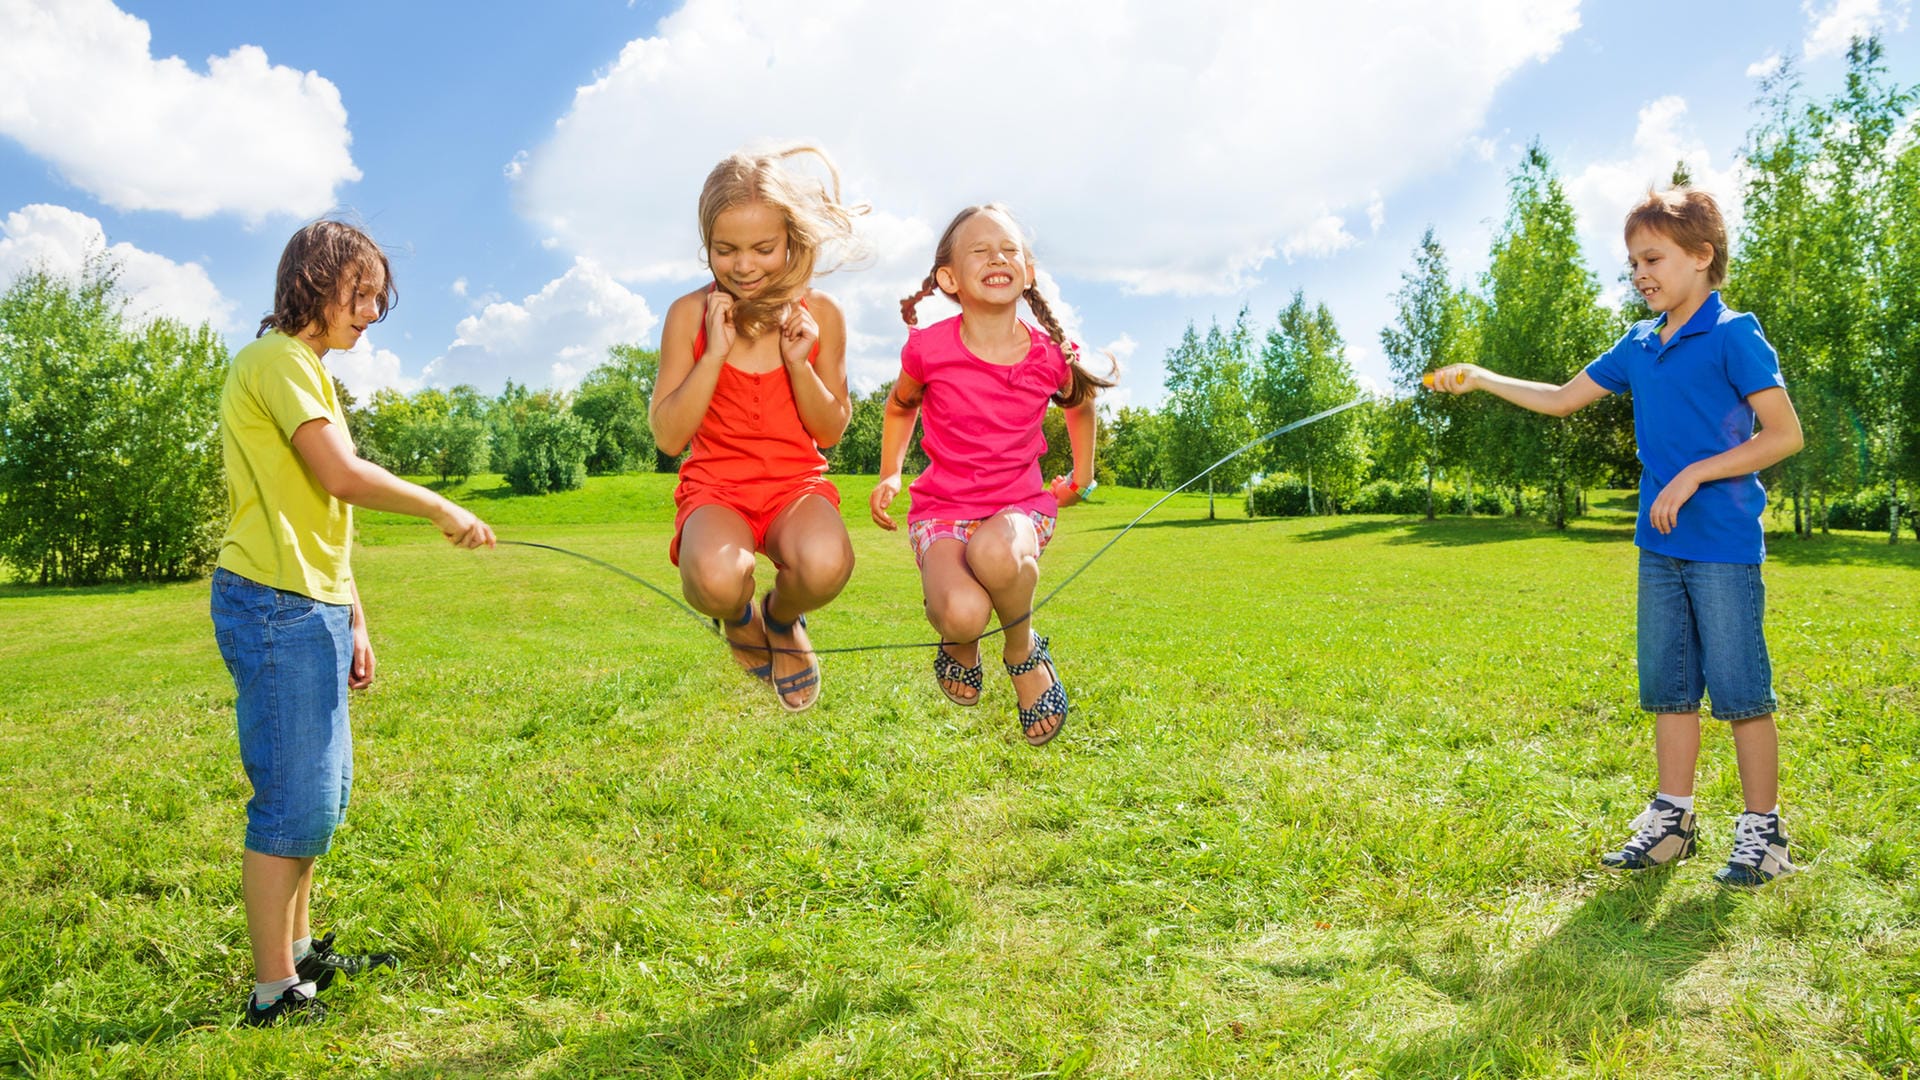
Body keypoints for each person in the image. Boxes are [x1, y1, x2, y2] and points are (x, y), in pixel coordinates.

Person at [1429, 187, 1804, 886]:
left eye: (1653, 258)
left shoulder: (1733, 333)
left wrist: (1693, 475)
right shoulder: (1639, 343)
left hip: (1721, 544)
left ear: (1701, 255)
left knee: (1740, 692)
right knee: (1669, 687)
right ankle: (1673, 821)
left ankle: (1765, 835)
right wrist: (1480, 377)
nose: (1640, 274)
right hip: (1658, 547)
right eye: (1633, 263)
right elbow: (1562, 399)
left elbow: (1784, 436)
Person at [214, 220, 496, 1026]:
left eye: (379, 296)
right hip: (273, 603)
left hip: (312, 603)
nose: (372, 311)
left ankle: (299, 955)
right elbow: (340, 474)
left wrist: (356, 619)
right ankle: (274, 994)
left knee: (320, 798)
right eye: (360, 292)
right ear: (313, 281)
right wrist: (440, 505)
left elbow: (323, 514)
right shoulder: (277, 361)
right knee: (290, 802)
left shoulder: (304, 370)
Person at [870, 204, 1114, 747]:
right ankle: (960, 642)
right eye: (979, 250)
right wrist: (890, 472)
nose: (997, 257)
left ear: (1027, 271)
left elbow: (1081, 404)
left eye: (1009, 249)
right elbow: (899, 406)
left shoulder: (1050, 355)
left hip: (1020, 510)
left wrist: (1081, 477)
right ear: (949, 279)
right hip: (942, 510)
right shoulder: (928, 350)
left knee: (997, 552)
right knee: (961, 614)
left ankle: (1022, 649)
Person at [649, 145, 864, 712]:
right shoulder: (688, 315)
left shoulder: (822, 314)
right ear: (708, 246)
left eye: (763, 249)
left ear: (792, 241)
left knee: (825, 567)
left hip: (796, 486)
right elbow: (669, 438)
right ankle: (739, 614)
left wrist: (799, 363)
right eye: (726, 250)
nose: (744, 266)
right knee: (716, 580)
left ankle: (780, 616)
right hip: (716, 489)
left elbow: (832, 429)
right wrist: (713, 354)